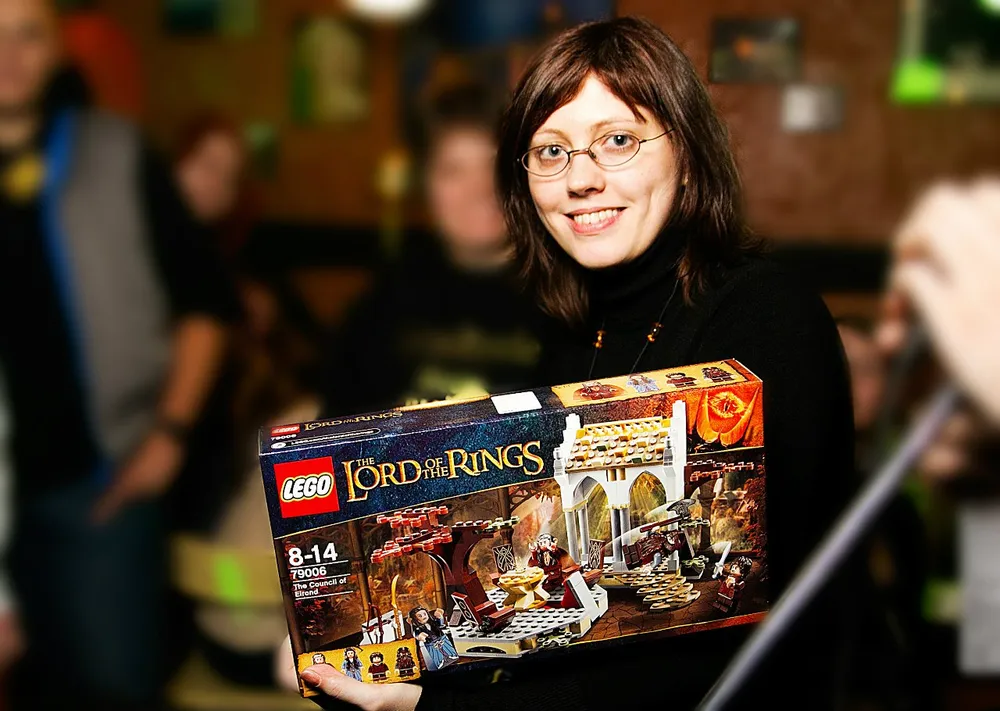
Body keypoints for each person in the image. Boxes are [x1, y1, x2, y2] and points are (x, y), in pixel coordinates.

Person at [299, 17, 855, 711]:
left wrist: (426, 707)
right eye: (551, 150)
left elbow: (716, 638)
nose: (581, 180)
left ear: (686, 150)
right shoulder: (565, 327)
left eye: (617, 140)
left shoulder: (767, 315)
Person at [0, 1, 238, 708]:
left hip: (101, 489)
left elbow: (207, 304)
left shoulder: (117, 153)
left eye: (27, 35)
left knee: (112, 689)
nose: (8, 54)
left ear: (56, 50)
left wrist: (169, 434)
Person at [319, 80, 545, 417]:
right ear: (424, 186)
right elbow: (337, 411)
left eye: (494, 164)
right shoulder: (389, 296)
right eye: (453, 170)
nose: (480, 187)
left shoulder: (566, 295)